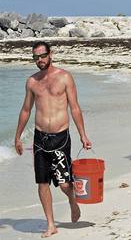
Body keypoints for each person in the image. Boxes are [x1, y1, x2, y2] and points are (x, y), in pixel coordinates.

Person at [14, 41, 92, 238]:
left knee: (65, 184)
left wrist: (83, 134)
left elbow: (74, 107)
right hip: (40, 138)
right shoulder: (32, 82)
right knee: (42, 183)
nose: (39, 60)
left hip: (61, 138)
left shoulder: (64, 77)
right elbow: (26, 110)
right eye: (35, 57)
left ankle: (72, 201)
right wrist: (18, 137)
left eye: (42, 56)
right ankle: (51, 224)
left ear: (51, 55)